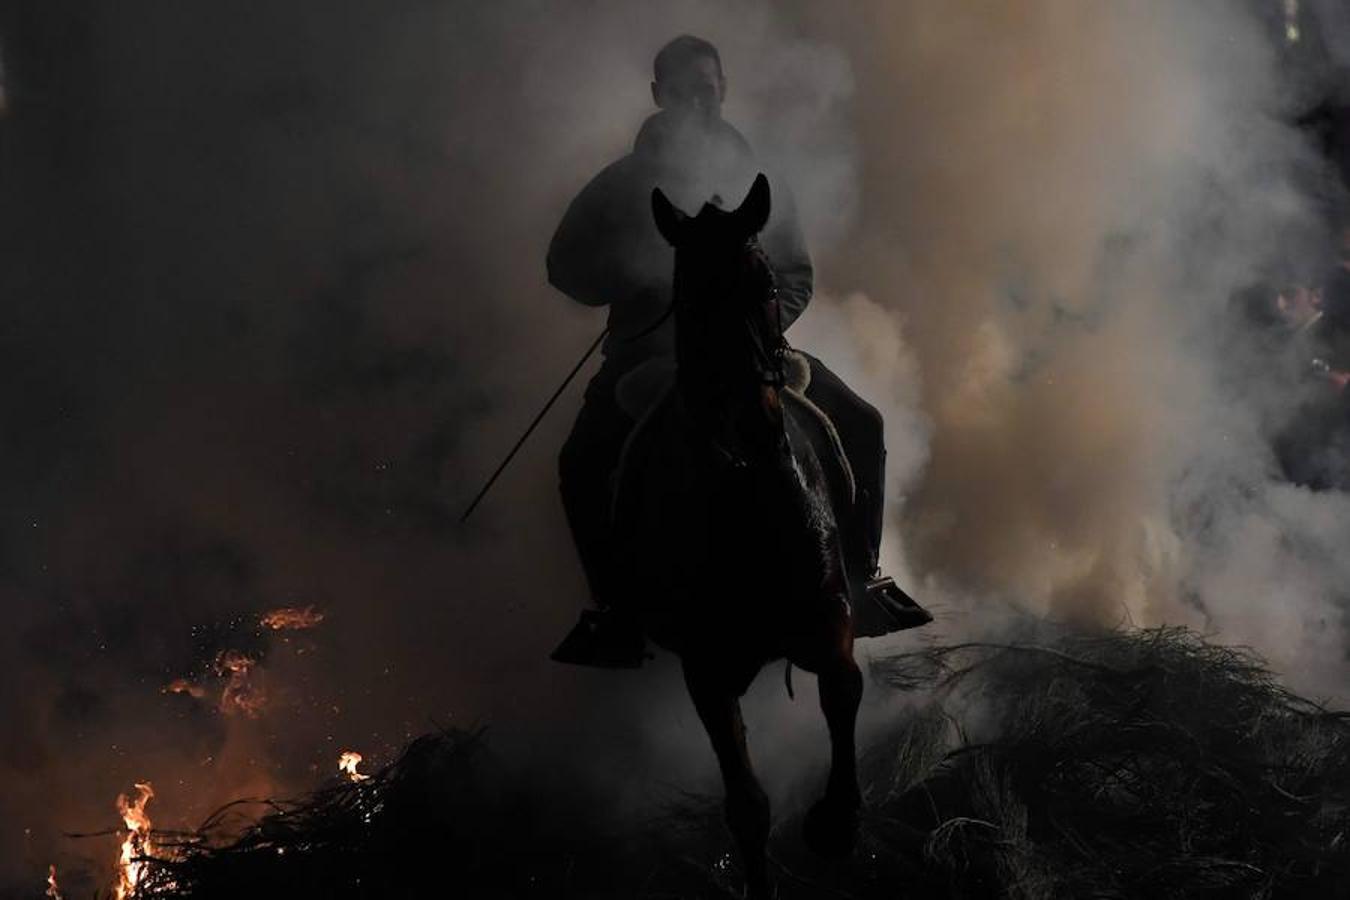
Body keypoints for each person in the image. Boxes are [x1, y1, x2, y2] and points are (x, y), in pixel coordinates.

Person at [548, 35, 895, 666]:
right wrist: (629, 275)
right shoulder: (620, 185)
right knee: (582, 462)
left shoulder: (757, 183)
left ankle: (862, 578)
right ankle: (616, 613)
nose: (696, 103)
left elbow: (795, 275)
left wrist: (754, 325)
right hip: (646, 360)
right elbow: (562, 264)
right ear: (658, 96)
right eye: (681, 92)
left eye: (706, 90)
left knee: (863, 424)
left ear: (723, 90)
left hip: (756, 356)